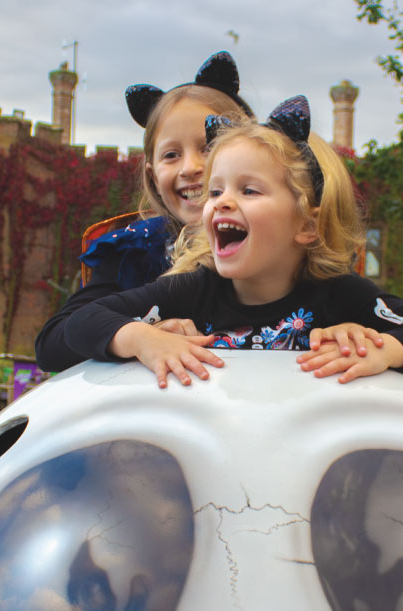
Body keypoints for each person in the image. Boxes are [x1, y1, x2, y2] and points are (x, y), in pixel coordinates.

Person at [57, 96, 403, 388]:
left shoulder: (340, 297)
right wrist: (142, 339)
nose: (222, 202)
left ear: (306, 224)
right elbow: (81, 322)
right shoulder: (191, 290)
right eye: (215, 193)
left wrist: (385, 348)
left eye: (249, 191)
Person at [32, 52, 253, 373]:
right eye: (172, 154)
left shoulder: (279, 246)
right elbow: (53, 344)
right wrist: (137, 335)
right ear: (151, 174)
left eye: (208, 147)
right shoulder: (132, 251)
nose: (190, 168)